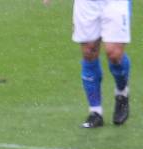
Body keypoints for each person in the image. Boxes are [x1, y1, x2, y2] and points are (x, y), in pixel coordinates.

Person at [44, 0, 132, 128]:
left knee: (114, 55)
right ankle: (95, 112)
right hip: (87, 4)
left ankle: (122, 92)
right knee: (89, 51)